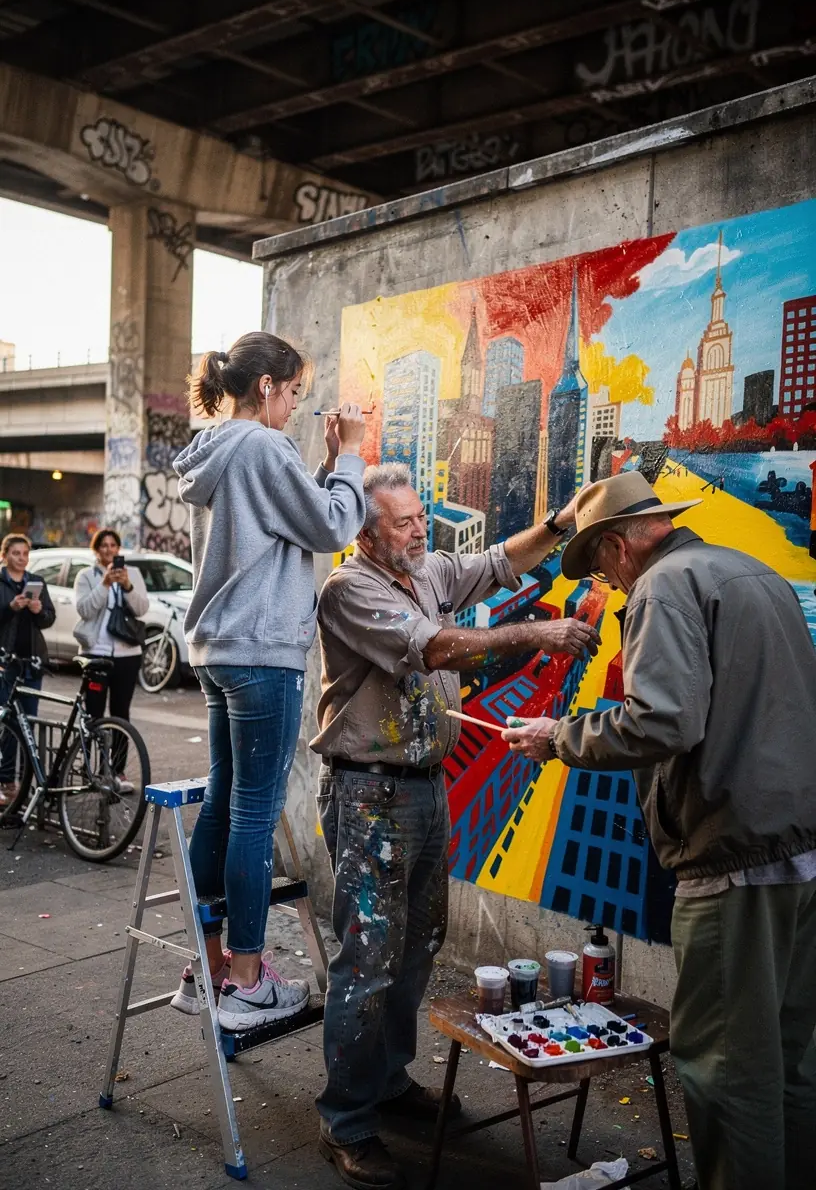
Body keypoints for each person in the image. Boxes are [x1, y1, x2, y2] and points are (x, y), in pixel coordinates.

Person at [502, 470, 816, 1190]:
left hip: (735, 858)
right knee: (791, 1059)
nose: (605, 584)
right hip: (801, 849)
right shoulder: (752, 572)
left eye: (600, 568)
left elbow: (664, 719)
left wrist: (559, 737)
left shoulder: (663, 588)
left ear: (617, 547)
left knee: (727, 1068)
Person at [312, 463, 599, 1190]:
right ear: (369, 534)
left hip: (423, 788)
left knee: (417, 945)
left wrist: (561, 525)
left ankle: (388, 1081)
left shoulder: (426, 569)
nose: (421, 530)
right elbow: (435, 648)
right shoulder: (351, 589)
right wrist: (540, 632)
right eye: (405, 522)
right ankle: (345, 1119)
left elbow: (500, 562)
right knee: (367, 956)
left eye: (418, 518)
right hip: (369, 793)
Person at [170, 330, 367, 1033]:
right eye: (292, 394)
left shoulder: (220, 449)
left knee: (224, 804)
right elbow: (333, 524)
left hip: (219, 650)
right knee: (253, 815)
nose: (293, 408)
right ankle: (248, 981)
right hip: (262, 651)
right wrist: (355, 461)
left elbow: (281, 521)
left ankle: (208, 966)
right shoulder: (261, 446)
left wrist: (328, 465)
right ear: (265, 387)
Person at [74, 529, 150, 788]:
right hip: (95, 654)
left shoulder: (133, 574)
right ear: (96, 550)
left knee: (121, 714)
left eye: (113, 545)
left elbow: (142, 608)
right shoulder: (86, 576)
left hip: (127, 655)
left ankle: (117, 772)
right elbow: (84, 609)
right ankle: (90, 769)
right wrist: (105, 584)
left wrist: (126, 586)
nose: (108, 550)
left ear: (119, 549)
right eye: (103, 546)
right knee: (93, 715)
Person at [0, 533, 55, 804]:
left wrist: (38, 610)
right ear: (5, 555)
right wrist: (10, 608)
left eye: (25, 553)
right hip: (4, 662)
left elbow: (48, 619)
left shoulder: (37, 582)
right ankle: (7, 782)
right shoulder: (1, 582)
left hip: (31, 662)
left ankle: (27, 786)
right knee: (7, 723)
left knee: (28, 724)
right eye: (16, 553)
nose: (21, 558)